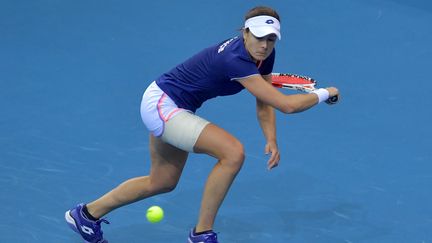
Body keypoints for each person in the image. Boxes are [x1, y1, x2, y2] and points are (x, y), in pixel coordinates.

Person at [65, 5, 339, 243]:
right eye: (258, 37)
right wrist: (325, 93)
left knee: (162, 181)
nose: (265, 45)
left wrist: (271, 138)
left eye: (271, 39)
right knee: (232, 153)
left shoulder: (264, 55)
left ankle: (86, 215)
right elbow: (286, 104)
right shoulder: (234, 59)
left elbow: (264, 99)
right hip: (163, 105)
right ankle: (201, 234)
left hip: (168, 101)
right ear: (244, 33)